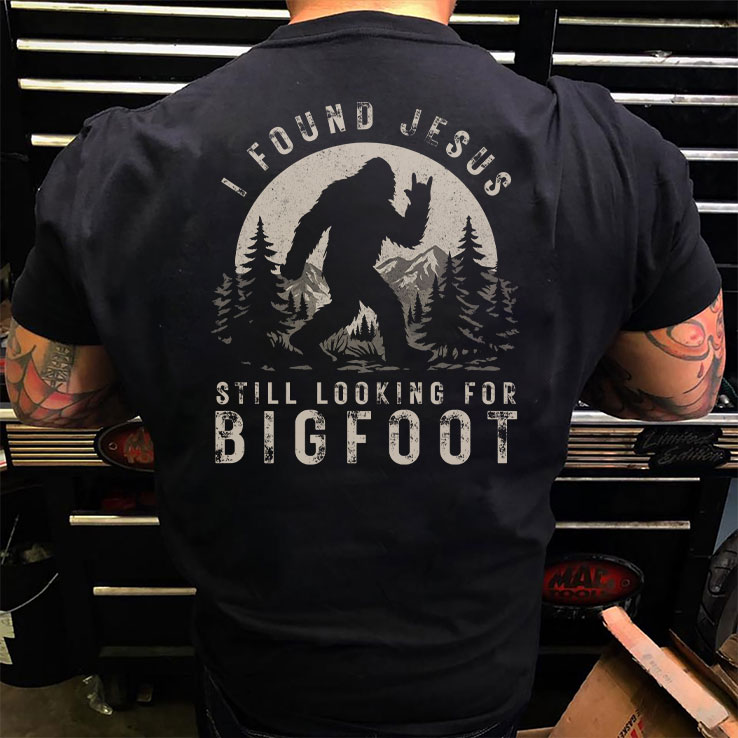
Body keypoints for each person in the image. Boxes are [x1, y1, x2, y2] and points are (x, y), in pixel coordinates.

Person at [6, 0, 724, 735]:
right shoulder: (608, 153)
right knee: (371, 306)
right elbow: (682, 392)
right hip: (474, 680)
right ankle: (341, 347)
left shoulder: (121, 158)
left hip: (260, 680)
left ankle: (319, 347)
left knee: (364, 309)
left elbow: (52, 401)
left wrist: (172, 374)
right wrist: (560, 368)